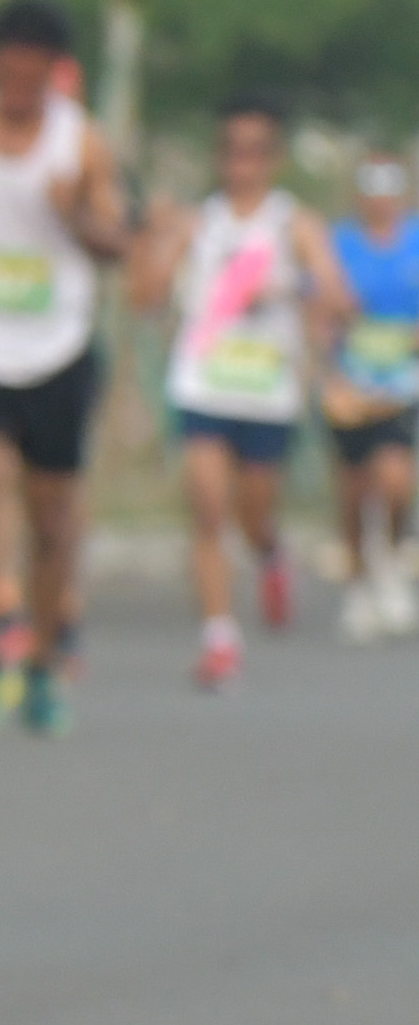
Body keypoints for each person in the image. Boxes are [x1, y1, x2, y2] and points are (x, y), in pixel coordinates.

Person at [0, 0, 130, 735]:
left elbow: (116, 243)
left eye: (32, 76)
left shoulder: (82, 143)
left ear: (53, 73)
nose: (17, 88)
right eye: (6, 72)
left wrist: (74, 214)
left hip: (55, 348)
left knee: (52, 522)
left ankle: (43, 661)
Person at [131, 99, 343, 693]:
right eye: (231, 151)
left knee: (254, 512)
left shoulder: (294, 225)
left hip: (267, 394)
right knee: (206, 506)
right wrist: (153, 238)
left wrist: (292, 288)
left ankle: (270, 554)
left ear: (273, 158)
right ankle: (220, 638)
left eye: (255, 152)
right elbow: (145, 297)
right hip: (203, 386)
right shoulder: (198, 224)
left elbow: (339, 297)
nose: (241, 164)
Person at [320, 153, 419, 636]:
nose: (381, 201)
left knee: (396, 479)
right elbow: (319, 309)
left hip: (403, 384)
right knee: (355, 490)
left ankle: (394, 561)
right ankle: (359, 582)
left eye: (389, 191)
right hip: (351, 385)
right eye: (372, 191)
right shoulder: (339, 244)